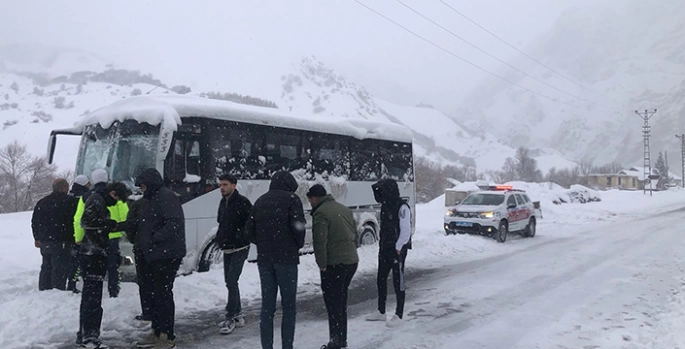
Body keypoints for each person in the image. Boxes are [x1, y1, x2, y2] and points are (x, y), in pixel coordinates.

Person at [245, 171, 306, 349]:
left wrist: (263, 243)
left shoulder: (260, 201)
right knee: (288, 307)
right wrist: (295, 245)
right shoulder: (292, 200)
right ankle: (287, 346)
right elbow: (299, 227)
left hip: (265, 260)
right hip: (287, 259)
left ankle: (267, 346)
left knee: (267, 308)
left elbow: (248, 231)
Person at [134, 168, 186, 349]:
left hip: (167, 254)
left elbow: (174, 222)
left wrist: (154, 237)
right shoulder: (150, 198)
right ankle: (157, 331)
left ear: (150, 183)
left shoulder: (165, 196)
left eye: (143, 185)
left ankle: (167, 335)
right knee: (154, 293)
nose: (141, 189)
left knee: (163, 293)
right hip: (154, 254)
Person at [77, 181, 129, 349]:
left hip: (93, 253)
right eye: (117, 198)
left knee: (90, 296)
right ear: (112, 193)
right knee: (92, 297)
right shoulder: (97, 200)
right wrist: (108, 225)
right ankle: (90, 336)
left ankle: (85, 333)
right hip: (93, 254)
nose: (116, 202)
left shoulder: (97, 199)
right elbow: (87, 222)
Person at [307, 184, 359, 349]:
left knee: (333, 304)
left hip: (334, 264)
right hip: (351, 261)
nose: (309, 203)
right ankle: (341, 339)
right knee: (341, 301)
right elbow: (355, 235)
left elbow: (319, 241)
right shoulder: (344, 209)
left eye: (309, 199)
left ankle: (336, 342)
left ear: (314, 198)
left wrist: (322, 264)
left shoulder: (321, 213)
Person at [74, 170, 129, 298]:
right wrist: (122, 228)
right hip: (113, 236)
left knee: (95, 268)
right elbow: (125, 215)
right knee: (113, 265)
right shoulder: (116, 193)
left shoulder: (87, 196)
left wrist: (78, 237)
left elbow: (79, 219)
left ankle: (95, 287)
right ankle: (113, 290)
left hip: (93, 237)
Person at [366, 178, 412, 328]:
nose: (381, 194)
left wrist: (399, 247)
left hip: (397, 249)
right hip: (384, 248)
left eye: (383, 191)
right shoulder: (385, 205)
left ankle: (399, 314)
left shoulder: (402, 207)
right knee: (381, 278)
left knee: (398, 281)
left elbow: (405, 230)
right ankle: (381, 311)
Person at [214, 174, 252, 335]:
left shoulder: (243, 203)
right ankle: (238, 314)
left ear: (234, 186)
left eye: (225, 184)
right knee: (229, 281)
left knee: (231, 280)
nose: (222, 187)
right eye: (221, 185)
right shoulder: (223, 202)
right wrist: (220, 239)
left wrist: (239, 237)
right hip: (227, 248)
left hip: (240, 248)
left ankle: (231, 316)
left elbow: (249, 225)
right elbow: (221, 222)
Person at [31, 178, 78, 291]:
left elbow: (34, 221)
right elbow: (75, 220)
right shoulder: (70, 202)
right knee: (59, 268)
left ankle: (44, 288)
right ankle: (57, 289)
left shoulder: (42, 202)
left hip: (45, 241)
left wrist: (37, 237)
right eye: (67, 187)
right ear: (63, 188)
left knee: (46, 266)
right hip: (62, 241)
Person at [122, 195, 153, 323]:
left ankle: (147, 311)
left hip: (141, 247)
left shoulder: (136, 205)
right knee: (155, 281)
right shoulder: (160, 202)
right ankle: (157, 310)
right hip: (156, 248)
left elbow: (130, 226)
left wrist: (134, 240)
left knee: (144, 281)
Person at [67, 175, 91, 293]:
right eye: (88, 183)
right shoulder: (83, 197)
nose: (90, 185)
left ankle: (72, 280)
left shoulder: (69, 196)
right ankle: (72, 283)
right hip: (79, 233)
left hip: (69, 232)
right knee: (78, 261)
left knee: (73, 260)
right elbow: (79, 218)